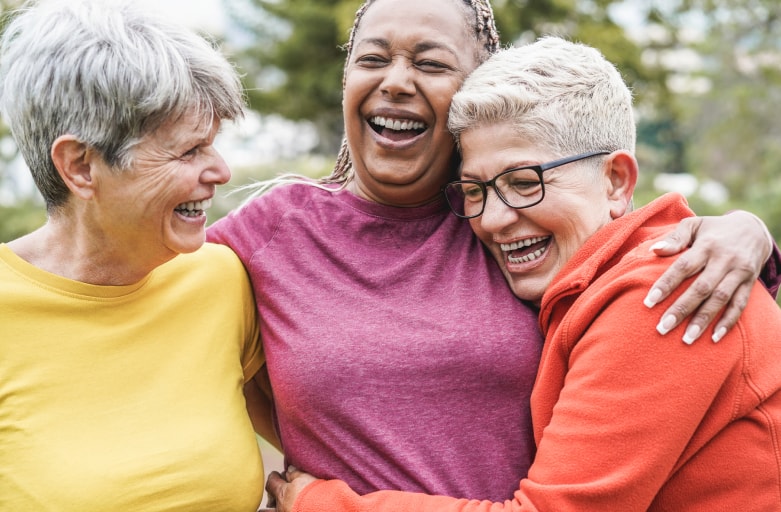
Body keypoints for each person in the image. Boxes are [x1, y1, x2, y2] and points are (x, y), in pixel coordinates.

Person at [209, 0, 779, 505]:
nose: (397, 81)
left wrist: (744, 233)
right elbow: (151, 301)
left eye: (430, 63)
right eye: (371, 58)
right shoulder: (271, 233)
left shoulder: (628, 270)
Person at [0, 0, 273, 510]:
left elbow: (331, 442)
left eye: (213, 144)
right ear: (80, 166)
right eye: (189, 151)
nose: (221, 171)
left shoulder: (221, 279)